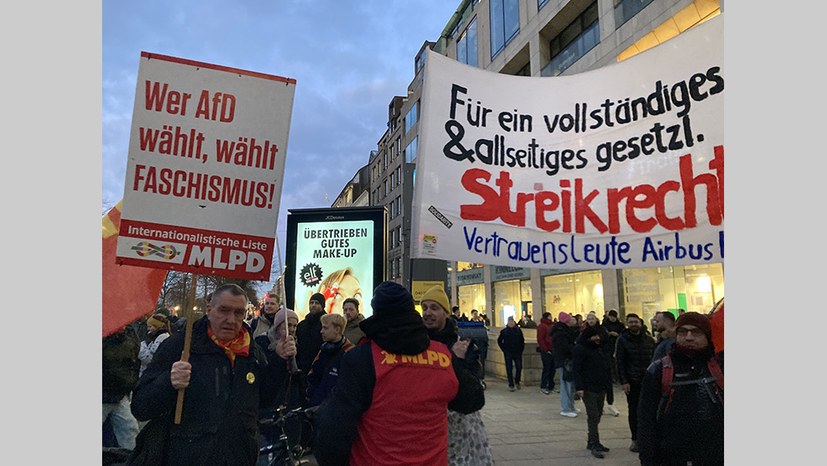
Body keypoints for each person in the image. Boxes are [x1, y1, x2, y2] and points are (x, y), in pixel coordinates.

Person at [313, 281, 486, 466]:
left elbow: (334, 429)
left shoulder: (362, 358)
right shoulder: (442, 355)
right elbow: (473, 399)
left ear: (377, 312)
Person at [129, 283, 297, 466]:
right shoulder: (182, 345)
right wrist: (169, 382)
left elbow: (265, 401)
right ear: (209, 310)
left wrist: (279, 361)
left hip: (237, 457)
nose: (231, 319)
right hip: (187, 456)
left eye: (238, 313)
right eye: (224, 310)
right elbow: (140, 407)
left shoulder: (252, 352)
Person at [637, 312, 723, 466]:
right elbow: (646, 420)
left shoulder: (720, 367)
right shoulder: (659, 370)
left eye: (695, 332)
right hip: (671, 457)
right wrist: (647, 459)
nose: (689, 337)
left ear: (707, 335)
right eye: (683, 332)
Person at [421, 285, 493, 466]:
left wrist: (453, 359)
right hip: (425, 424)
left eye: (434, 308)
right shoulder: (417, 342)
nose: (428, 312)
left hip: (457, 428)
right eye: (425, 307)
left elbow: (474, 393)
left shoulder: (463, 345)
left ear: (446, 313)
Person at [614, 313, 655, 453]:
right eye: (630, 322)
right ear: (627, 324)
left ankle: (648, 438)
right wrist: (624, 381)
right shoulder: (622, 340)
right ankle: (635, 439)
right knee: (634, 411)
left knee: (649, 410)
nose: (633, 324)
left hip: (648, 381)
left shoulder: (649, 339)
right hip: (632, 381)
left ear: (640, 322)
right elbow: (619, 362)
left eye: (635, 321)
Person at [573, 324, 612, 459]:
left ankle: (592, 441)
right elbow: (576, 369)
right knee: (593, 416)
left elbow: (605, 367)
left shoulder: (599, 349)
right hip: (588, 388)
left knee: (598, 414)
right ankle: (595, 443)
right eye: (594, 336)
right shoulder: (580, 349)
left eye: (598, 336)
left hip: (600, 386)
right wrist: (579, 387)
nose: (597, 338)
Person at [103, 323, 142, 450]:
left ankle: (130, 458)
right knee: (128, 428)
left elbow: (134, 351)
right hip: (105, 391)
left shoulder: (129, 332)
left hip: (119, 392)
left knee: (129, 428)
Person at [305, 313, 354, 408]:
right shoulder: (323, 350)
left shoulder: (349, 353)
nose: (321, 331)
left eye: (325, 328)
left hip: (336, 410)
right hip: (316, 406)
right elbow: (313, 376)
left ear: (337, 330)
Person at [581, 312, 620, 417]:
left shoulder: (602, 329)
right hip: (590, 362)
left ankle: (610, 403)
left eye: (592, 318)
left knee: (608, 382)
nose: (590, 320)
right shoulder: (584, 331)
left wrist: (597, 339)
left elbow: (605, 339)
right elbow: (582, 342)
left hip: (604, 359)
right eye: (588, 319)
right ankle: (599, 405)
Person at [552, 311, 580, 417]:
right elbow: (564, 348)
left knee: (571, 385)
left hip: (567, 360)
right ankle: (566, 408)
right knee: (566, 385)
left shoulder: (564, 331)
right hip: (565, 361)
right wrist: (574, 348)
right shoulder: (560, 333)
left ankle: (571, 406)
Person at [295, 292, 326, 377]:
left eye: (317, 303)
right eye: (311, 303)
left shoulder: (326, 323)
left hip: (320, 367)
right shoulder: (302, 324)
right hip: (302, 367)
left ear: (322, 306)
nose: (313, 305)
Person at [138, 313, 171, 378]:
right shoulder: (156, 338)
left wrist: (141, 348)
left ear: (157, 327)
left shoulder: (161, 339)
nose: (148, 329)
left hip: (152, 375)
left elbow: (150, 359)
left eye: (150, 327)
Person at [497, 316, 525, 392]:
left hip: (517, 352)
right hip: (508, 352)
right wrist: (504, 349)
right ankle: (511, 384)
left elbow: (522, 340)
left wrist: (521, 349)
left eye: (512, 321)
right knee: (509, 368)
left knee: (519, 366)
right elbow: (499, 341)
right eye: (510, 322)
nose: (511, 323)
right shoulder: (504, 331)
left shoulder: (518, 330)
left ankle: (517, 380)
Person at [601, 309, 625, 382]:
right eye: (611, 317)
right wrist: (609, 333)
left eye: (613, 317)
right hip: (608, 345)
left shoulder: (620, 325)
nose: (612, 318)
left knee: (617, 361)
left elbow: (623, 333)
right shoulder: (605, 324)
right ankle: (612, 377)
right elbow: (602, 334)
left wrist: (618, 335)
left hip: (617, 344)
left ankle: (618, 376)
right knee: (610, 362)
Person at [536, 311, 556, 394]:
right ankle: (543, 386)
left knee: (552, 369)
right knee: (547, 368)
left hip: (552, 349)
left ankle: (551, 386)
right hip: (546, 350)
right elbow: (540, 339)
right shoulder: (542, 326)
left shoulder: (552, 325)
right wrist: (545, 349)